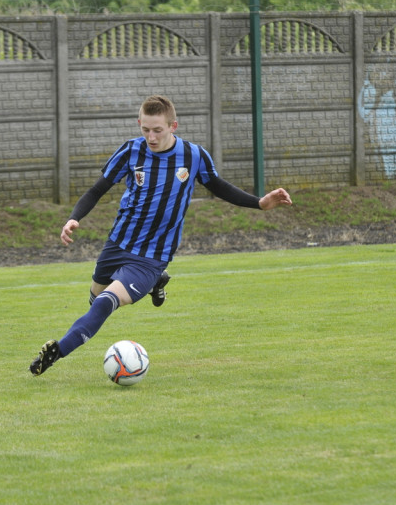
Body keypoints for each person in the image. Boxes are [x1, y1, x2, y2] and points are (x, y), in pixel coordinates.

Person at [30, 95, 292, 376]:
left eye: (158, 130)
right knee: (95, 300)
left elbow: (219, 187)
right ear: (139, 124)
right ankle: (157, 282)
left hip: (153, 254)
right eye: (146, 130)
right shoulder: (131, 151)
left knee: (106, 302)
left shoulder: (193, 156)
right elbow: (96, 190)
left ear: (173, 126)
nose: (151, 137)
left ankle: (58, 351)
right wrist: (73, 218)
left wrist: (259, 203)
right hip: (118, 242)